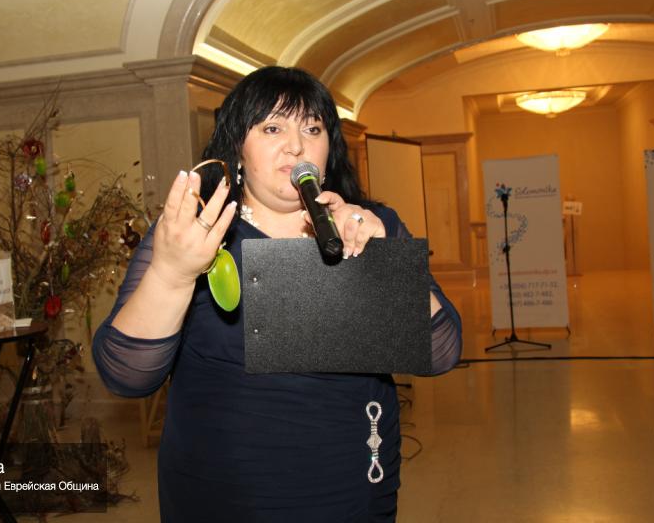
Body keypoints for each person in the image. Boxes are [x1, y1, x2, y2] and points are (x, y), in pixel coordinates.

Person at [92, 66, 462, 522]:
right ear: (238, 147)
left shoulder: (373, 224)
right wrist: (171, 274)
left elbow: (442, 352)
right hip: (222, 493)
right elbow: (127, 376)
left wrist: (383, 259)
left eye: (312, 128)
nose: (296, 145)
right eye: (272, 128)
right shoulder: (197, 233)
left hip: (351, 488)